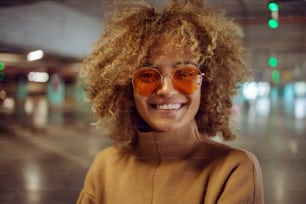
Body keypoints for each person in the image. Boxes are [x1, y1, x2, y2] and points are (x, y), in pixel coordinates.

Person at [77, 0, 264, 203]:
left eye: (184, 73)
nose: (166, 90)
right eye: (147, 75)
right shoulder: (105, 167)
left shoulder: (233, 170)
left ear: (206, 83)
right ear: (126, 88)